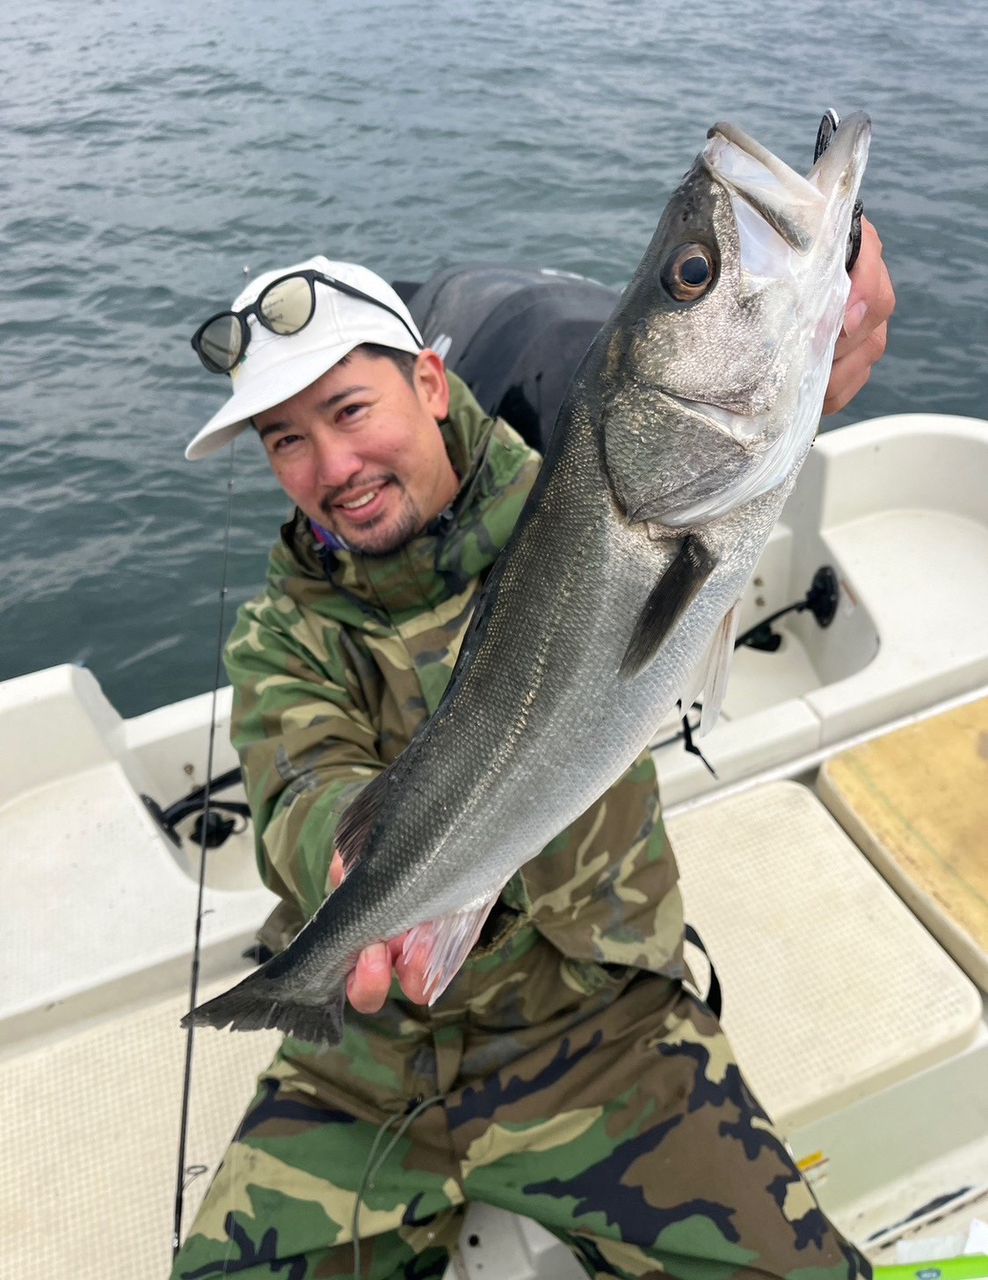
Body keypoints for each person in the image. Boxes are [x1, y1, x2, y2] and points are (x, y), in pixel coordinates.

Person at [172, 230, 895, 1279]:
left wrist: (823, 275)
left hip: (599, 1020)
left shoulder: (573, 495)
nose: (332, 468)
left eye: (348, 410)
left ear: (429, 379)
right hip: (368, 1061)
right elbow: (298, 782)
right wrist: (346, 859)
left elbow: (609, 372)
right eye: (285, 440)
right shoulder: (280, 633)